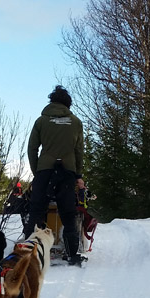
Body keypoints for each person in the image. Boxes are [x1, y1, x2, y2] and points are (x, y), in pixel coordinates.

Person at [23, 85, 86, 266]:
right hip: (67, 172)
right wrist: (78, 174)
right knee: (68, 213)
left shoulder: (41, 121)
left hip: (45, 171)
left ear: (51, 101)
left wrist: (38, 172)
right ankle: (72, 254)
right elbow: (79, 151)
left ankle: (28, 253)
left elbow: (32, 148)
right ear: (68, 104)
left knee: (36, 212)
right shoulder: (75, 122)